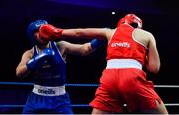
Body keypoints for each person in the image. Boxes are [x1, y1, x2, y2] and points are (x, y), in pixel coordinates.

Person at [38, 14, 168, 114]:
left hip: (109, 78)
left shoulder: (110, 32)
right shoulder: (147, 35)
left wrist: (58, 32)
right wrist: (140, 55)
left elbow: (80, 32)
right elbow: (154, 68)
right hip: (133, 77)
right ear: (139, 26)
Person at [15, 20, 104, 114]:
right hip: (36, 98)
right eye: (37, 31)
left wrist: (100, 38)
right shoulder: (30, 53)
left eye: (43, 29)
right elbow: (19, 73)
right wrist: (36, 59)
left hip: (60, 100)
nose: (41, 33)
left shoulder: (61, 46)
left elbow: (85, 49)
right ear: (32, 36)